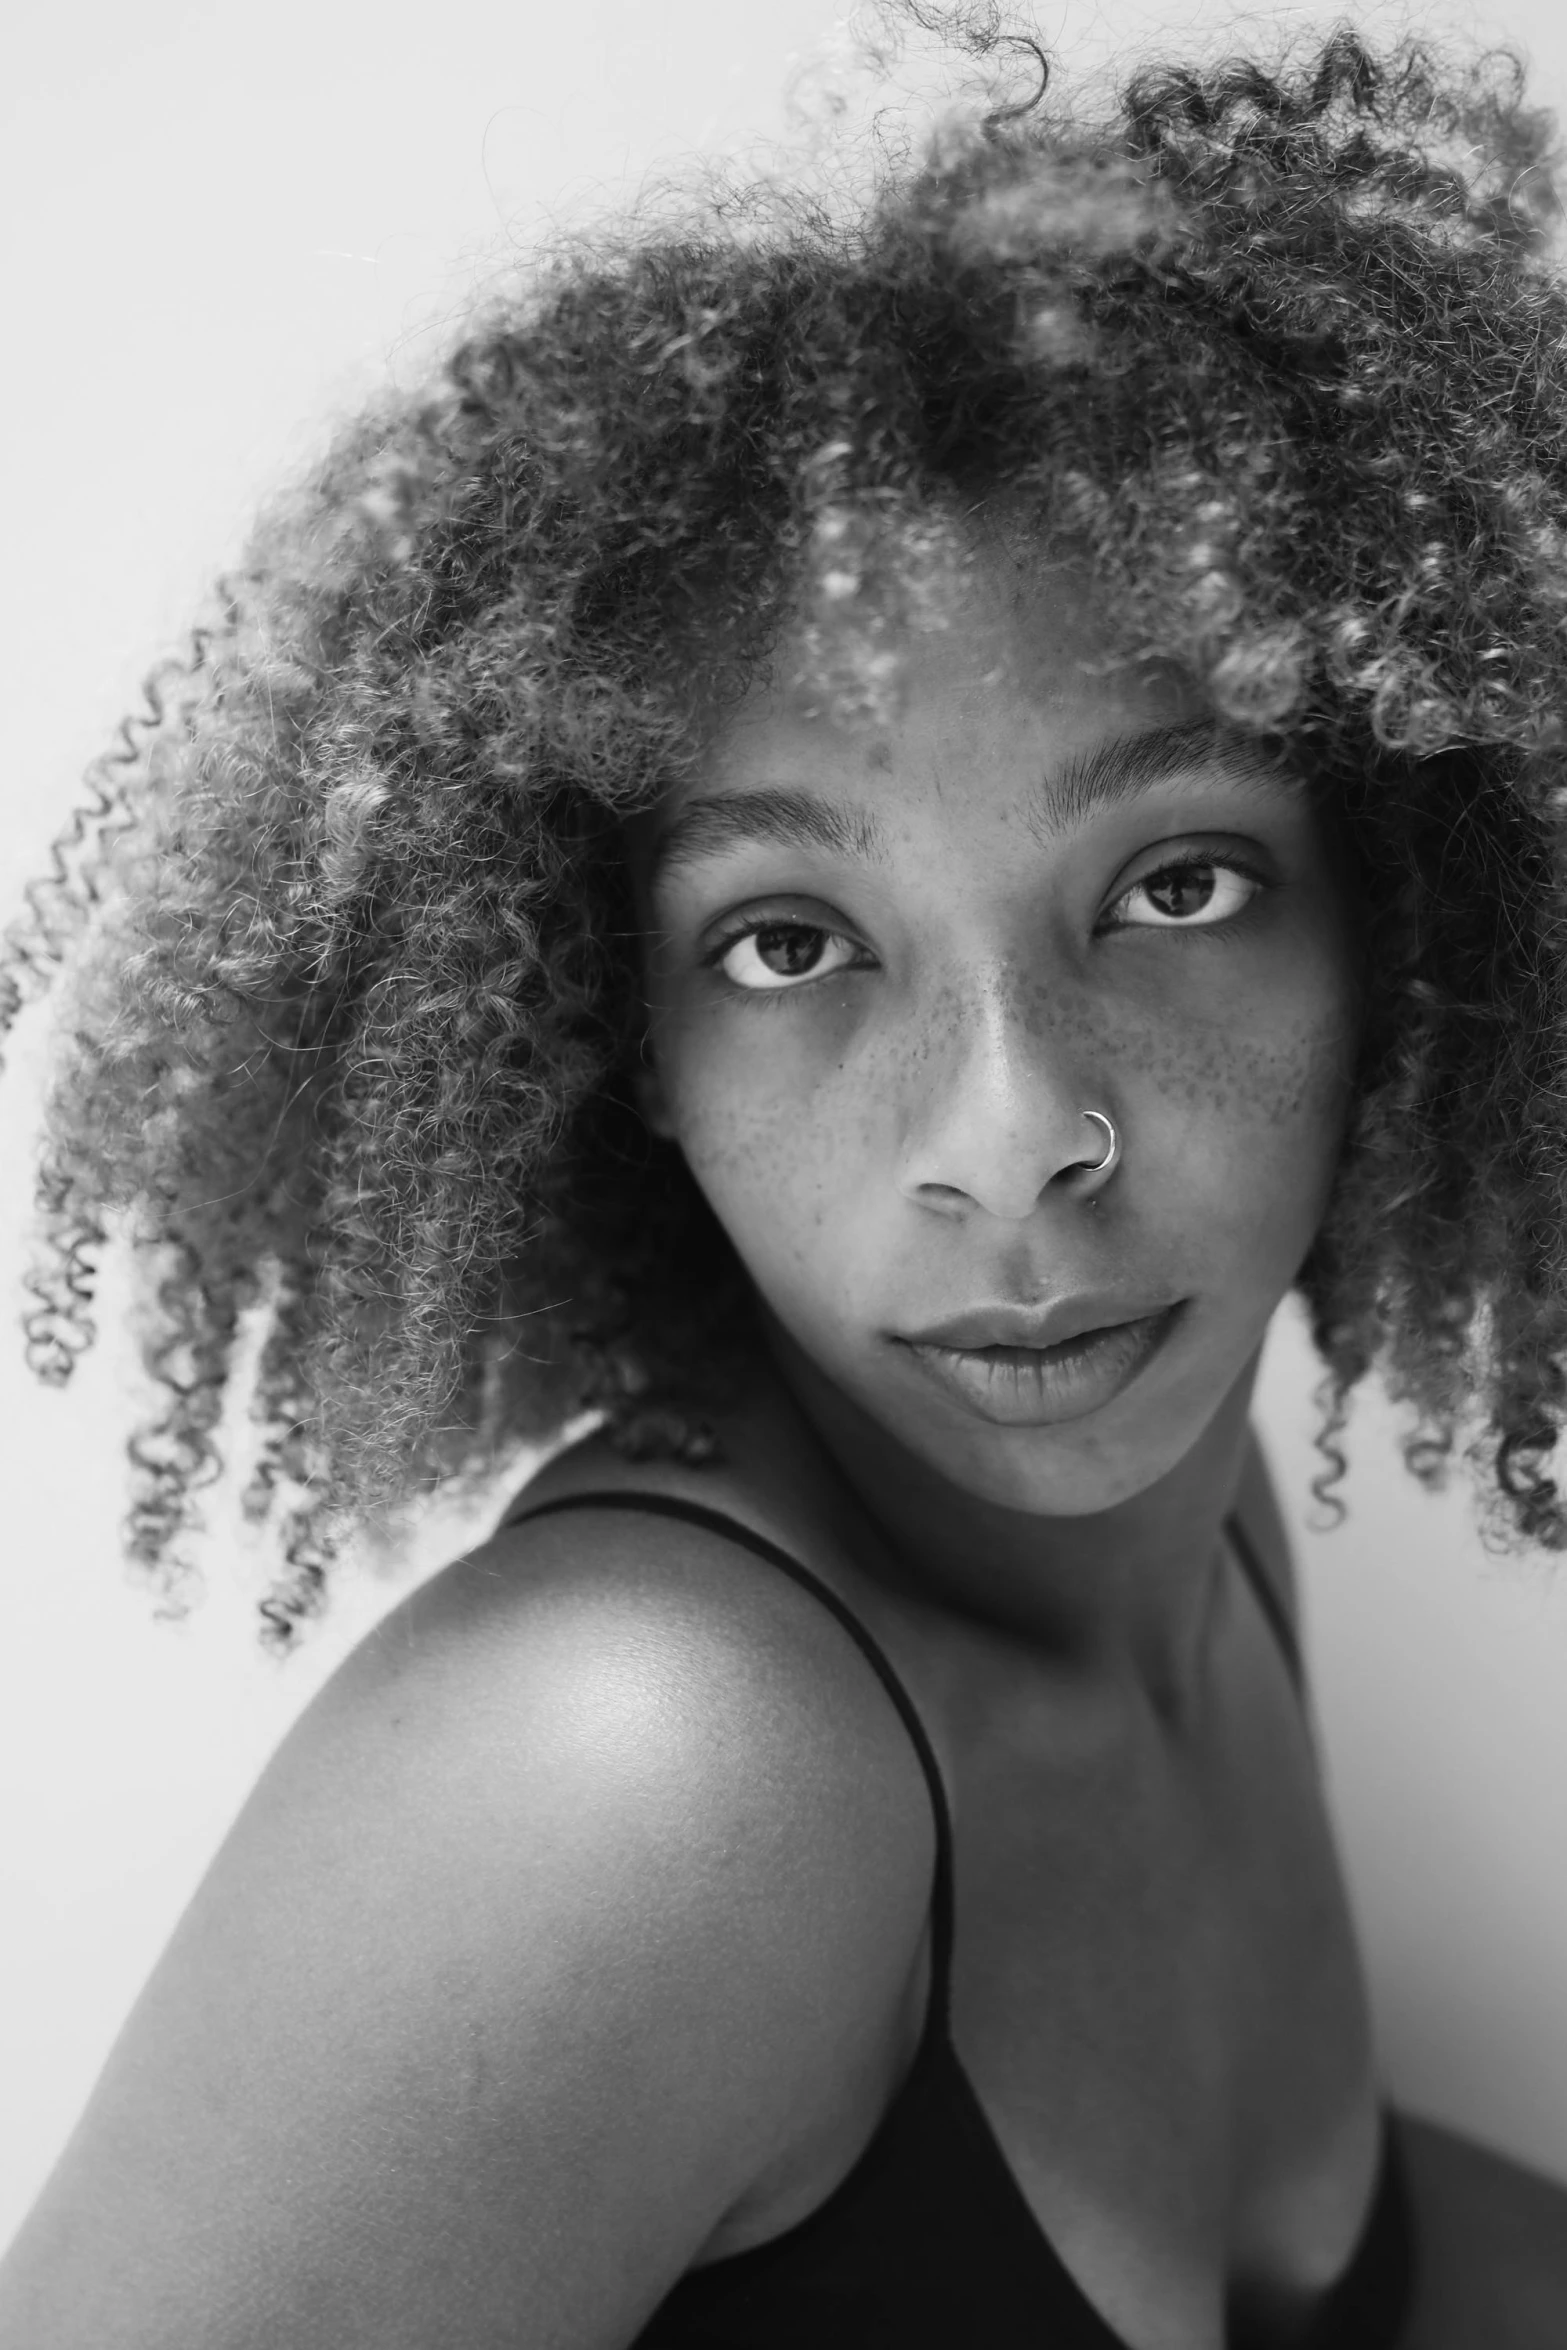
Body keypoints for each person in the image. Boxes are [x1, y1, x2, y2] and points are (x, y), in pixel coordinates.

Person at [2, 19, 1566, 2345]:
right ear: (617, 1035)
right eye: (790, 940)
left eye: (1178, 882)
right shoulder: (631, 1774)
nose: (1018, 1135)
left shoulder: (1183, 1515)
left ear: (1402, 912)